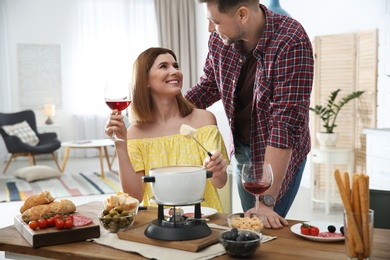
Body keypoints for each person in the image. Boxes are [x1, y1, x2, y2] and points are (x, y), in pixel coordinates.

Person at [185, 0, 314, 229]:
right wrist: (160, 108)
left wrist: (265, 202)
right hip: (244, 149)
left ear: (242, 15)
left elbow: (285, 125)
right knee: (248, 226)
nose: (210, 29)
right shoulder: (220, 39)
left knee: (265, 225)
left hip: (278, 151)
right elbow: (208, 86)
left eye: (215, 21)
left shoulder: (291, 40)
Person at [105, 47, 229, 212]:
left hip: (204, 221)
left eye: (175, 66)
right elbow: (134, 197)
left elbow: (220, 183)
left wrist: (215, 168)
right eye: (164, 66)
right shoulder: (136, 133)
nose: (175, 71)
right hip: (158, 223)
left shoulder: (204, 120)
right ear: (145, 81)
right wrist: (120, 144)